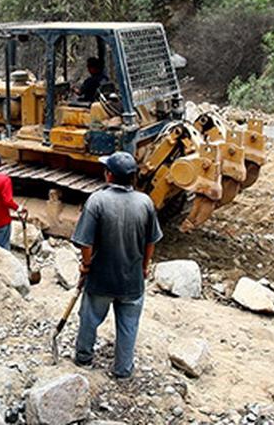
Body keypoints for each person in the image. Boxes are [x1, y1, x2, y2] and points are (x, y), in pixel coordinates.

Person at [72, 151, 163, 379]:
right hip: (132, 279)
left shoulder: (97, 200)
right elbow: (151, 240)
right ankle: (123, 369)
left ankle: (83, 358)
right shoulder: (145, 202)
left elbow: (85, 241)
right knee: (128, 325)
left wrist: (85, 266)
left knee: (89, 318)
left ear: (109, 175)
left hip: (101, 277)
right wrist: (144, 267)